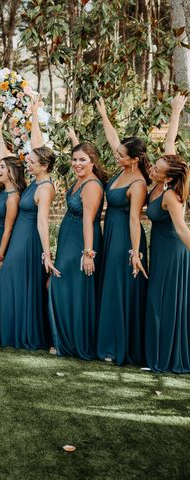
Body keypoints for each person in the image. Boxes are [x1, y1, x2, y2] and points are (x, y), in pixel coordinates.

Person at [0, 96, 59, 350]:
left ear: (45, 165)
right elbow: (34, 146)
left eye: (31, 162)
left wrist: (47, 254)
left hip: (28, 240)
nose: (27, 164)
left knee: (9, 282)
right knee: (13, 284)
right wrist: (35, 114)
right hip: (20, 236)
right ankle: (11, 332)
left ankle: (22, 334)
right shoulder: (35, 181)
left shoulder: (45, 188)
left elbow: (42, 223)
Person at [95, 97, 149, 365]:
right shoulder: (122, 169)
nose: (116, 156)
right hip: (111, 234)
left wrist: (135, 252)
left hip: (126, 239)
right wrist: (105, 115)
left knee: (119, 289)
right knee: (110, 286)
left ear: (135, 160)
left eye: (121, 155)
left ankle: (117, 346)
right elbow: (114, 139)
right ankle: (107, 341)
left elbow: (134, 220)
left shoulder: (138, 183)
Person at [48, 137, 106, 360]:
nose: (77, 163)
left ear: (93, 162)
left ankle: (74, 342)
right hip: (68, 240)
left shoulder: (92, 185)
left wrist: (88, 253)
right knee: (67, 287)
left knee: (69, 287)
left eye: (82, 159)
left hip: (82, 243)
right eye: (74, 159)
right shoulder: (79, 181)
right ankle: (64, 340)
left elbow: (88, 221)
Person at [144, 154, 190, 373]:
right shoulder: (157, 187)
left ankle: (165, 357)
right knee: (159, 300)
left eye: (157, 169)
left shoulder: (171, 195)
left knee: (161, 301)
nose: (151, 169)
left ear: (168, 178)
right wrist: (174, 116)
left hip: (173, 252)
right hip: (161, 249)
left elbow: (182, 229)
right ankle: (159, 353)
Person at [0, 116, 26, 314]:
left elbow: (8, 230)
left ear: (11, 172)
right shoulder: (2, 191)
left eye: (2, 167)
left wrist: (0, 256)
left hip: (2, 242)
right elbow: (4, 153)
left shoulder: (13, 198)